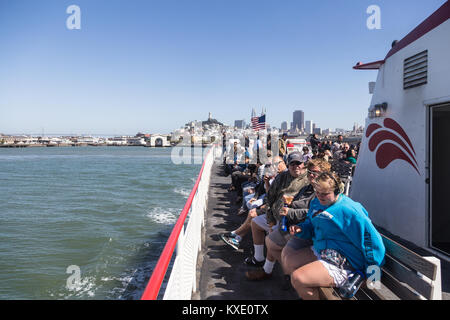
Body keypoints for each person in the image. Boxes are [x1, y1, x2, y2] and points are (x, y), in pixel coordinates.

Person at [286, 172, 385, 300]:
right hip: (324, 250)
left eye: (325, 193)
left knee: (298, 278)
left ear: (337, 191)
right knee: (289, 262)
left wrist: (373, 277)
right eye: (317, 192)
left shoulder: (349, 210)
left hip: (347, 261)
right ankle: (307, 294)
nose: (320, 196)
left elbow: (372, 242)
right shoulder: (316, 203)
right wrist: (301, 229)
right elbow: (311, 224)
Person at [245, 159, 331, 286]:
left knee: (273, 240)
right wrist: (274, 217)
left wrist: (290, 211)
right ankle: (269, 266)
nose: (311, 175)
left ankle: (285, 274)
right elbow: (271, 197)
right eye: (310, 172)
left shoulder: (321, 190)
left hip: (311, 232)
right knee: (266, 232)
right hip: (292, 222)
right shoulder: (302, 184)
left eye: (315, 173)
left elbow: (315, 213)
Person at [243, 152, 309, 268]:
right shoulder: (282, 176)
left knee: (271, 238)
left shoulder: (308, 180)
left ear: (303, 164)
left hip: (290, 220)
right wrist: (270, 220)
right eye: (292, 164)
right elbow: (270, 197)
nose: (295, 166)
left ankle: (268, 269)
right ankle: (258, 258)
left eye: (298, 163)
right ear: (288, 165)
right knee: (255, 223)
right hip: (275, 215)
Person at [220, 157, 287, 250]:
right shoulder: (278, 175)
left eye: (276, 164)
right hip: (270, 203)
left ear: (283, 163)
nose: (273, 167)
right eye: (272, 165)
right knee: (250, 205)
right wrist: (266, 183)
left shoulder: (284, 176)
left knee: (253, 213)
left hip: (277, 209)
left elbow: (278, 197)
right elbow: (268, 193)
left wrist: (266, 204)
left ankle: (236, 235)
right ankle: (237, 237)